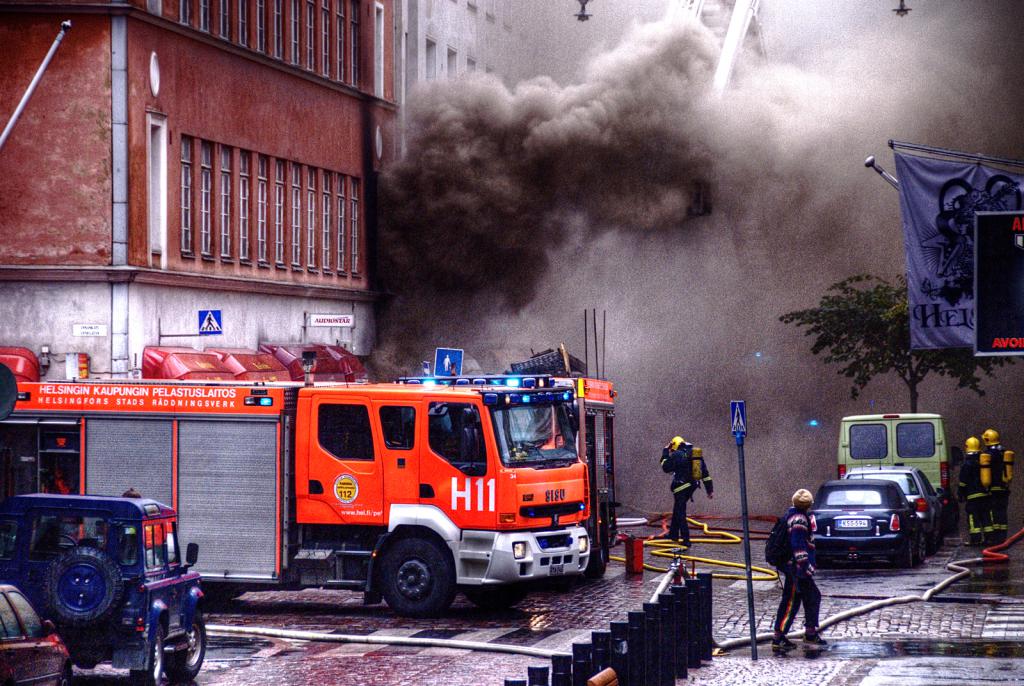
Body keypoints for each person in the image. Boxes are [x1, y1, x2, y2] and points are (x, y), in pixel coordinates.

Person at [772, 488, 826, 653]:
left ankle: (810, 631)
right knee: (791, 601)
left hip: (795, 567)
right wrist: (805, 566)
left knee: (812, 596)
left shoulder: (792, 514)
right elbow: (798, 546)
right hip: (796, 568)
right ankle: (779, 636)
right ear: (808, 504)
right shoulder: (799, 520)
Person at [660, 436, 713, 546]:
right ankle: (673, 534)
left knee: (680, 512)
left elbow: (666, 467)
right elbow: (705, 473)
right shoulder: (694, 454)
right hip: (692, 485)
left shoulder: (677, 454)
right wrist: (709, 490)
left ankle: (686, 540)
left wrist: (665, 451)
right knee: (677, 508)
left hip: (681, 486)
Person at [981, 428, 1013, 545]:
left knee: (993, 512)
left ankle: (994, 538)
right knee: (1002, 511)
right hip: (1004, 488)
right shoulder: (1004, 453)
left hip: (992, 488)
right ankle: (1003, 536)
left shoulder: (987, 455)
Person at [958, 437, 990, 546]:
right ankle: (989, 539)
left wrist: (960, 494)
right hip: (985, 495)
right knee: (986, 517)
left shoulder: (967, 464)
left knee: (973, 519)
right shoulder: (983, 460)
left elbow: (963, 482)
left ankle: (975, 540)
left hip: (972, 496)